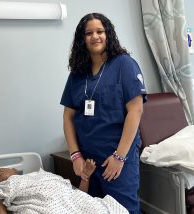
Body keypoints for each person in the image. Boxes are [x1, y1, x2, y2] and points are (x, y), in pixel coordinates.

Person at [60, 13, 147, 214]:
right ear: (82, 39)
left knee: (123, 209)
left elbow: (136, 110)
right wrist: (75, 156)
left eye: (100, 31)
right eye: (89, 33)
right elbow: (68, 116)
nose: (95, 36)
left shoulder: (124, 64)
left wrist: (119, 157)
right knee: (92, 208)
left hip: (116, 156)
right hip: (88, 159)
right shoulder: (77, 73)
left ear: (108, 34)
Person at [0, 159, 128, 214]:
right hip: (45, 207)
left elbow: (78, 194)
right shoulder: (3, 186)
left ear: (14, 170)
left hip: (74, 202)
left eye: (0, 170)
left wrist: (86, 176)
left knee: (100, 210)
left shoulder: (46, 175)